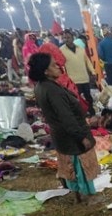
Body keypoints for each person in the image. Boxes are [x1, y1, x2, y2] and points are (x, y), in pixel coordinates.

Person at [29, 52, 99, 203]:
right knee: (80, 168)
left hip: (61, 134)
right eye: (54, 65)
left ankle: (78, 195)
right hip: (70, 135)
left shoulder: (42, 87)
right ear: (45, 71)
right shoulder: (52, 90)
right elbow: (66, 117)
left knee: (70, 166)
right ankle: (87, 197)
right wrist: (81, 136)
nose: (58, 67)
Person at [60, 30, 97, 117]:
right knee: (76, 100)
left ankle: (92, 114)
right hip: (73, 81)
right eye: (64, 38)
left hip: (84, 78)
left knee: (88, 98)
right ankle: (81, 116)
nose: (66, 40)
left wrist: (93, 72)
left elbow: (87, 61)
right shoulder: (61, 50)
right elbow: (61, 66)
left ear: (73, 38)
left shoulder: (80, 49)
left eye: (68, 37)